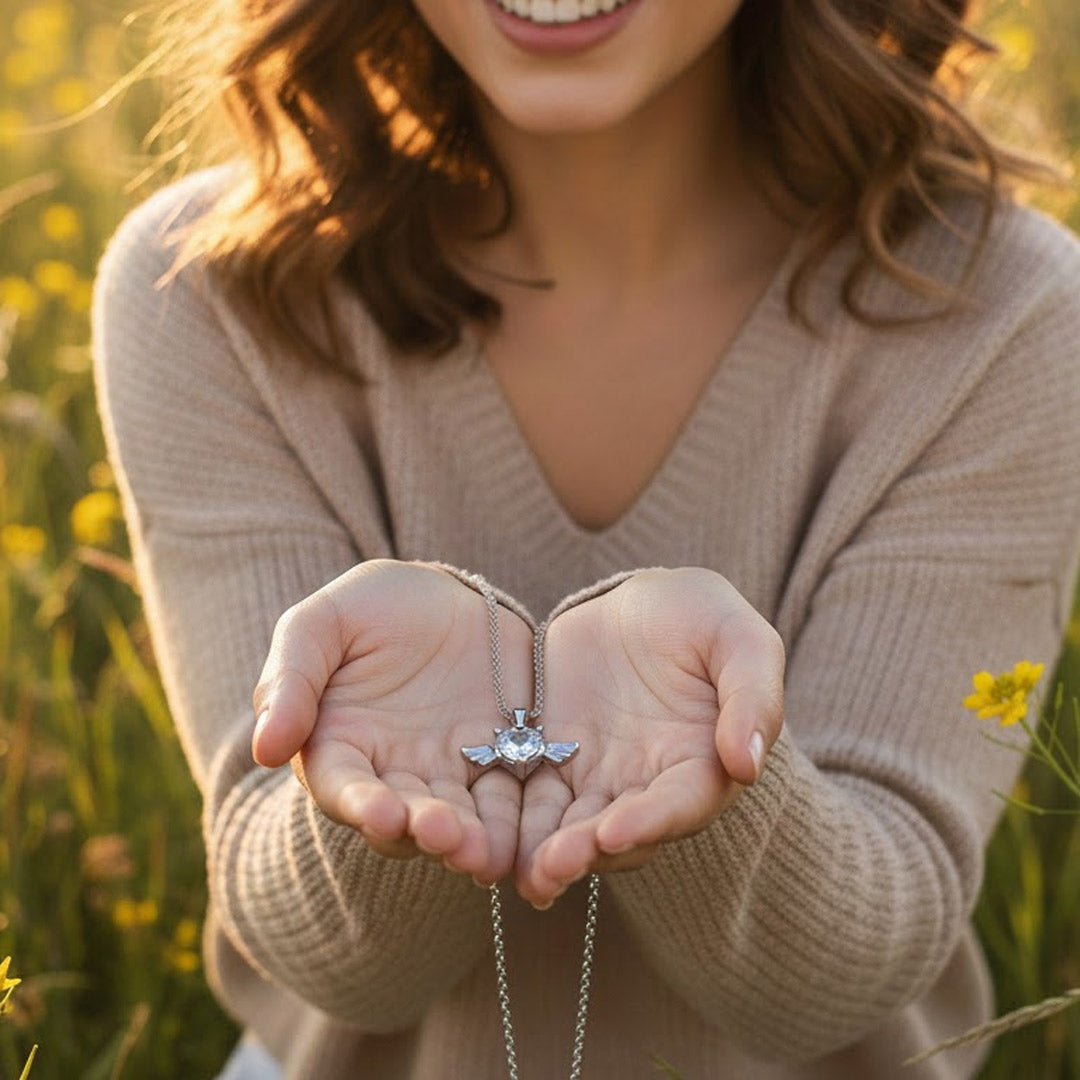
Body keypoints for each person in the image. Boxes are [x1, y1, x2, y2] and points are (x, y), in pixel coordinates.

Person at [91, 0, 1080, 1077]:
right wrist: (373, 809)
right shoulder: (210, 288)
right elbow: (334, 969)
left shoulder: (1006, 314)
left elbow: (837, 985)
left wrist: (723, 784)